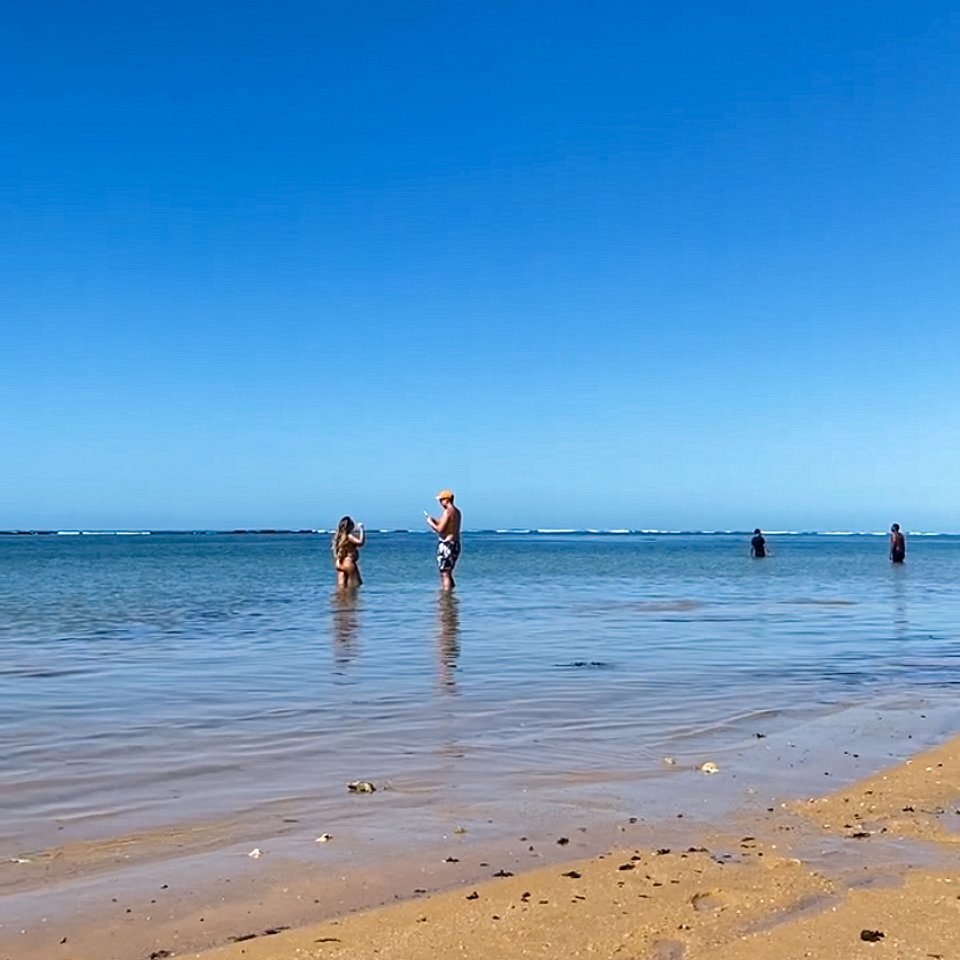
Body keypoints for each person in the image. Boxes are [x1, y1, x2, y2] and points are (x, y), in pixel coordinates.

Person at [425, 490, 462, 591]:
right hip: (455, 544)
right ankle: (451, 594)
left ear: (447, 500)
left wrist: (430, 523)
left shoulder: (447, 512)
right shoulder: (457, 512)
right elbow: (447, 526)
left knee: (444, 573)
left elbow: (440, 529)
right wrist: (434, 521)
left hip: (447, 545)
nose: (440, 503)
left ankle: (446, 596)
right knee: (448, 572)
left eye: (441, 500)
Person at [331, 516, 365, 588]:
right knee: (354, 586)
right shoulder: (348, 536)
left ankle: (340, 599)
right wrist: (362, 530)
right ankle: (351, 599)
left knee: (341, 586)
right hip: (348, 562)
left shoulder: (338, 537)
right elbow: (360, 543)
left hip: (339, 562)